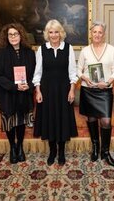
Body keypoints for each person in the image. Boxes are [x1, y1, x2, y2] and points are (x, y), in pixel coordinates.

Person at [33, 19, 78, 166]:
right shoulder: (42, 49)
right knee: (50, 120)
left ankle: (62, 152)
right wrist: (38, 91)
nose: (54, 35)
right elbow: (37, 73)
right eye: (51, 32)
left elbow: (73, 72)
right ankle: (52, 151)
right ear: (47, 34)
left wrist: (72, 90)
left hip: (63, 90)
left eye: (56, 32)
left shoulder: (68, 48)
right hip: (47, 91)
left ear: (61, 33)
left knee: (62, 120)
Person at [77, 21, 114, 167]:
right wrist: (84, 77)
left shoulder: (111, 49)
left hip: (105, 90)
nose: (97, 34)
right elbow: (78, 69)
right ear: (91, 34)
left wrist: (108, 82)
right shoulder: (85, 51)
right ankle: (95, 147)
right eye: (95, 32)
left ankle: (105, 152)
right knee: (92, 119)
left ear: (104, 34)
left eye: (100, 32)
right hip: (88, 89)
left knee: (106, 120)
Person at [0, 23, 35, 164]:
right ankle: (12, 147)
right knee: (10, 123)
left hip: (24, 92)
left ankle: (20, 147)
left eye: (15, 34)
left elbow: (35, 73)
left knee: (21, 122)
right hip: (8, 93)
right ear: (6, 36)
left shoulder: (29, 52)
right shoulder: (0, 53)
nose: (13, 37)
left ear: (21, 35)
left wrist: (27, 85)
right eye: (10, 34)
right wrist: (14, 86)